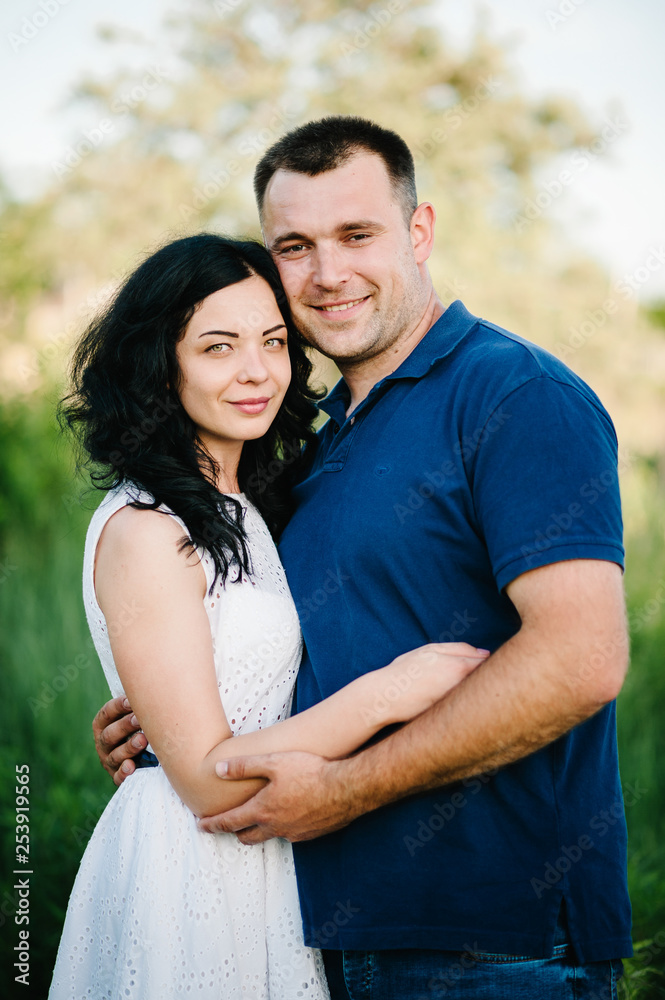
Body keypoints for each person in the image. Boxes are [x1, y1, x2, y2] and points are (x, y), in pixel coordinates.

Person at [94, 118, 631, 999]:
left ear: (419, 233)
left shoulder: (515, 395)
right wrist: (167, 723)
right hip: (313, 929)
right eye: (295, 246)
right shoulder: (303, 441)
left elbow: (580, 660)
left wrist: (342, 790)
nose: (327, 273)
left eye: (356, 235)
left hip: (491, 942)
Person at [49, 232, 489, 999]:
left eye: (274, 341)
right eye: (217, 347)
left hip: (268, 862)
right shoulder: (149, 529)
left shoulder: (249, 501)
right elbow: (208, 782)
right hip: (190, 863)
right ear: (161, 366)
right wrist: (392, 691)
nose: (256, 371)